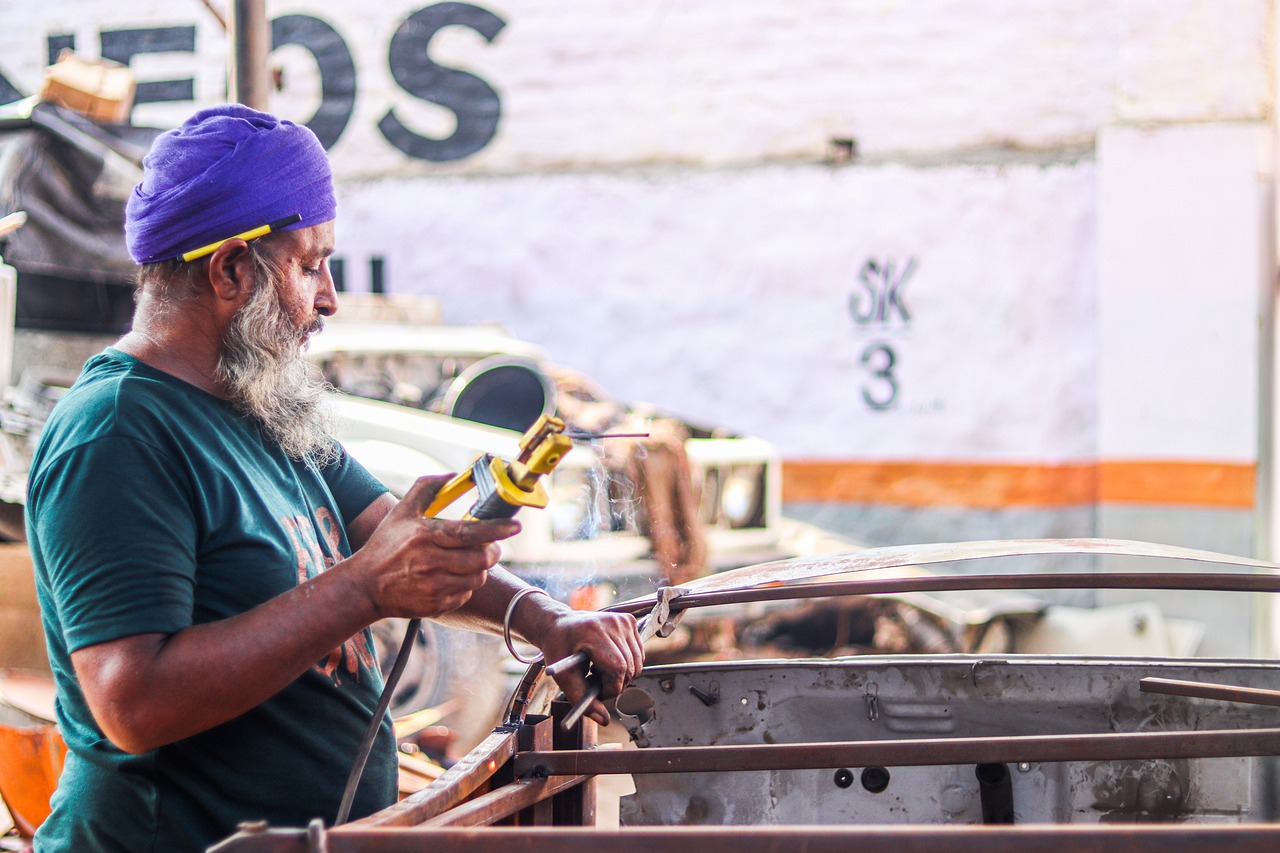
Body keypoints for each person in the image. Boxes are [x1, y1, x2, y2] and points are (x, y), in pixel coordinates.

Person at [26, 104, 644, 852]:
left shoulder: (259, 404)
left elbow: (398, 539)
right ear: (230, 269)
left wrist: (548, 620)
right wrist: (361, 589)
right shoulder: (118, 430)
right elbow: (132, 702)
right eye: (310, 265)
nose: (328, 298)